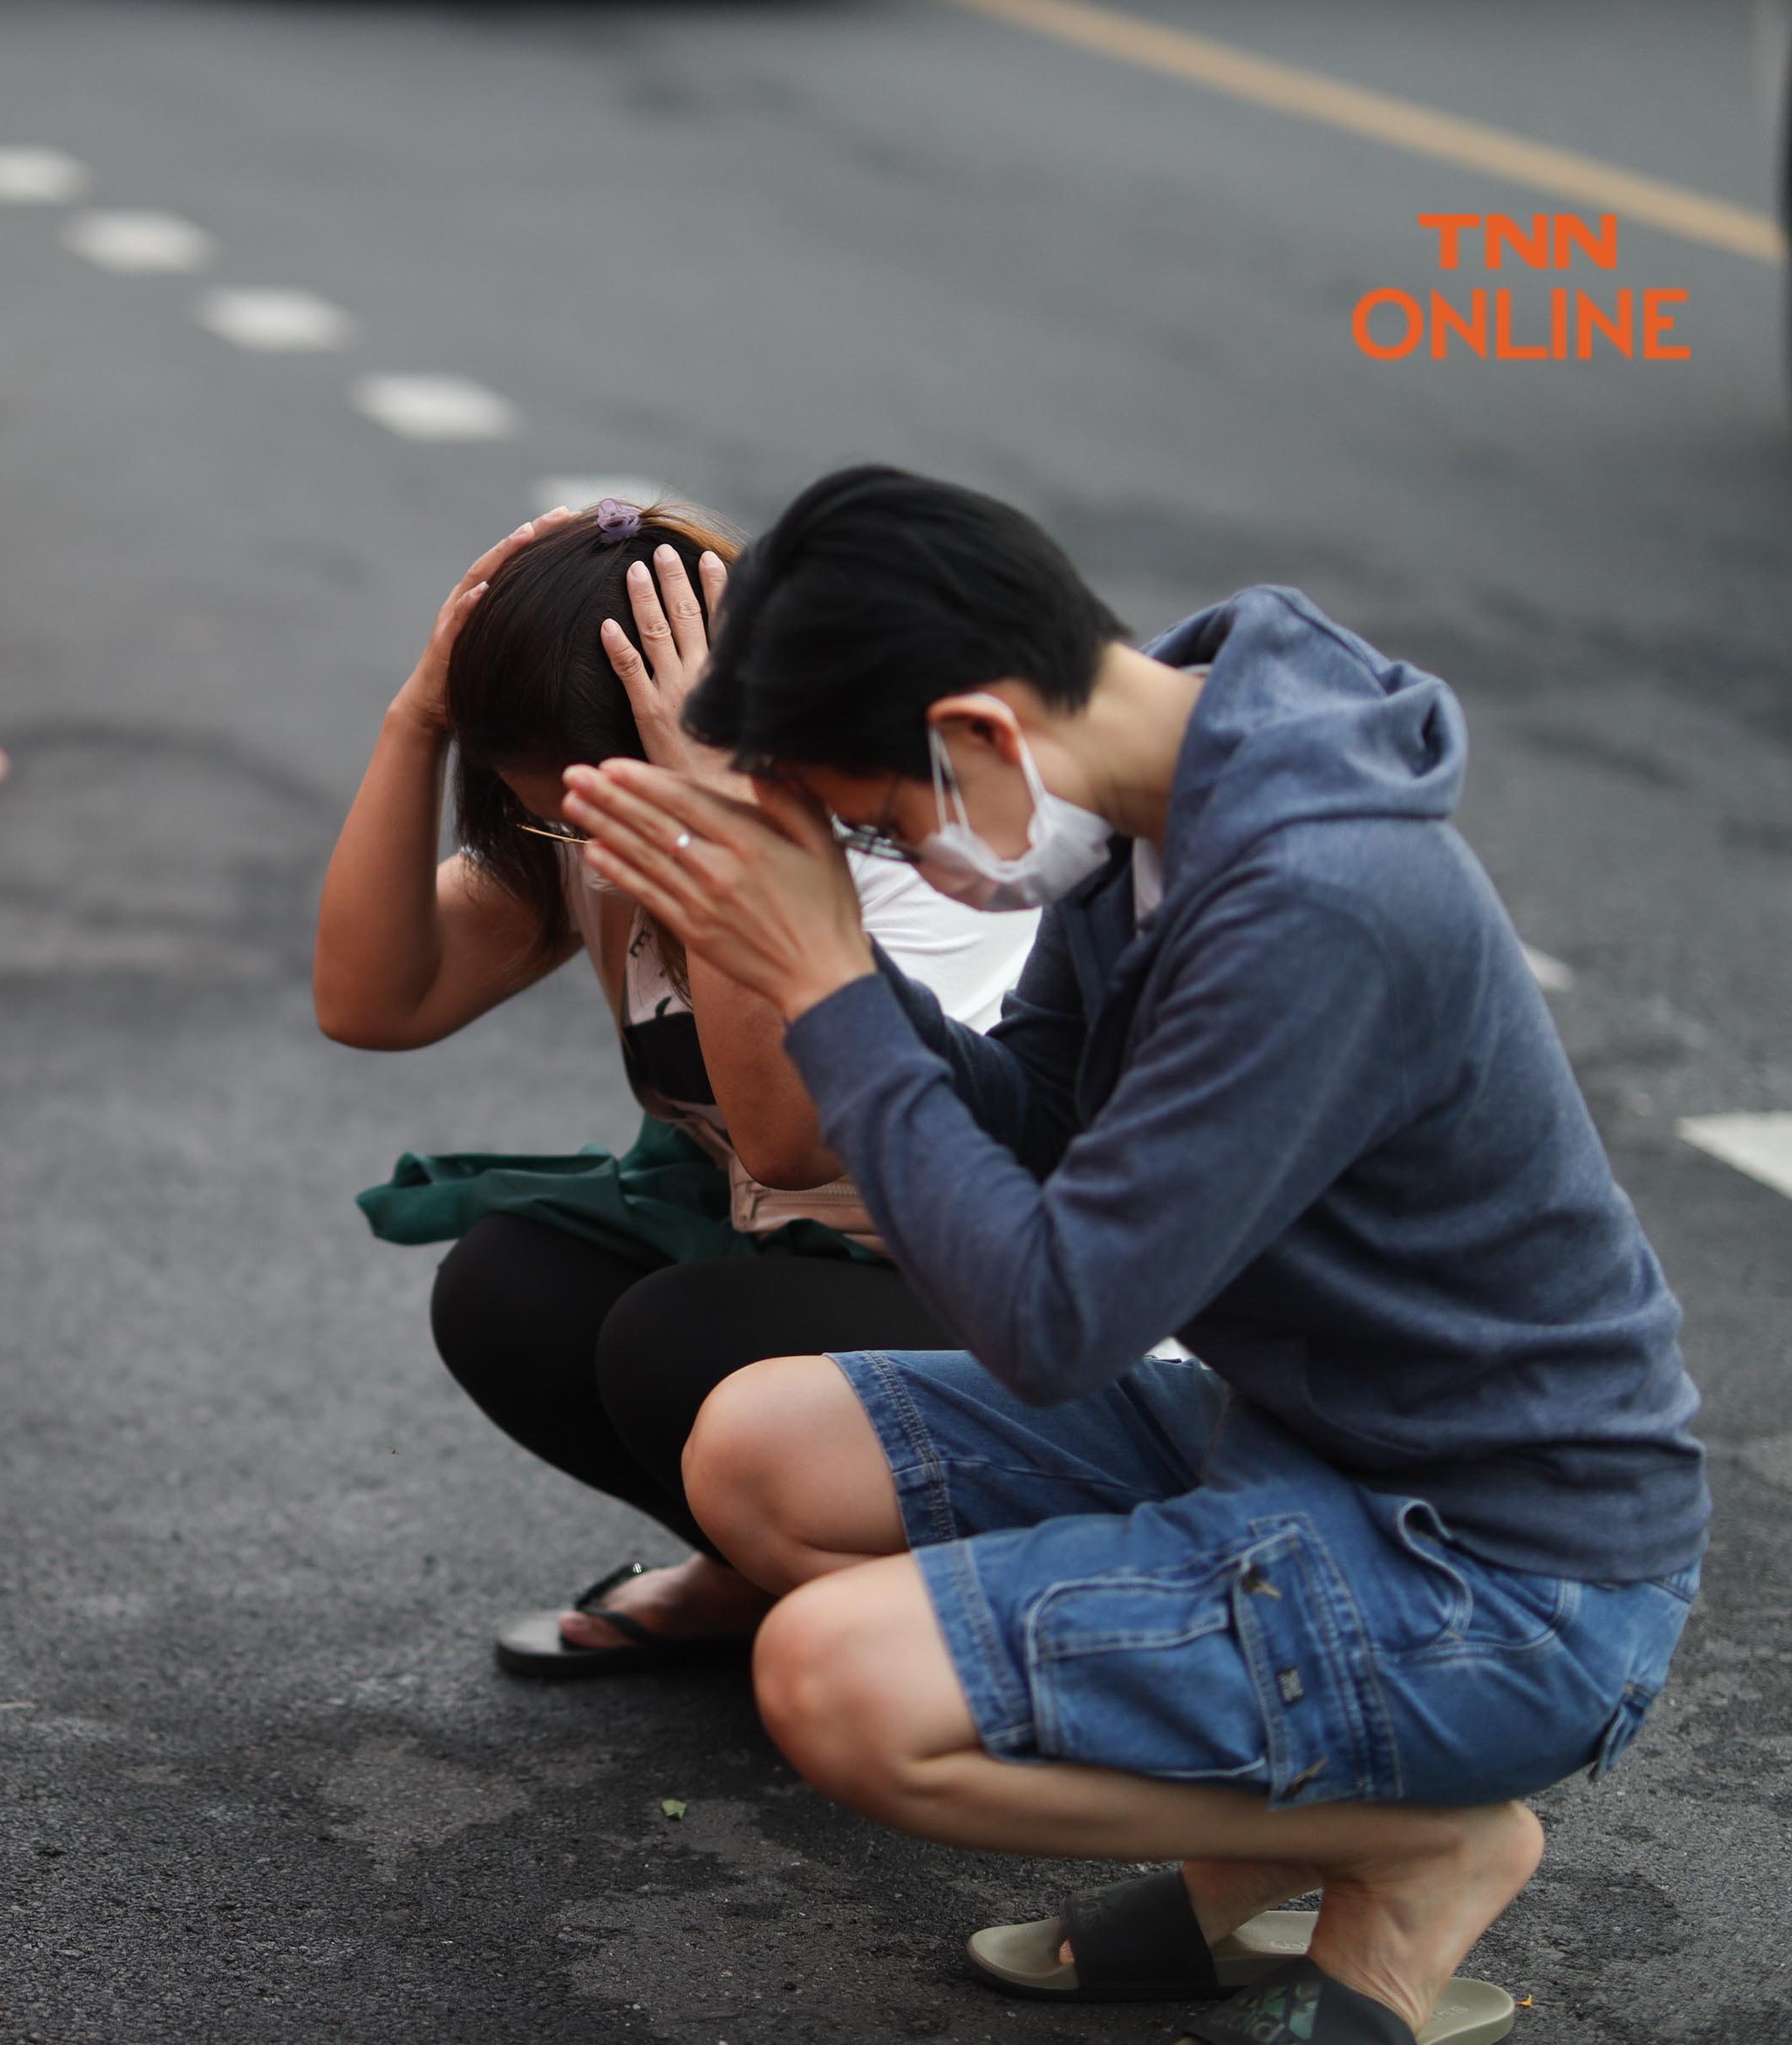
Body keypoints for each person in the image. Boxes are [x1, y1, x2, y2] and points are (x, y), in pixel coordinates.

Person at [560, 465, 1708, 2044]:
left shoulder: (1319, 900)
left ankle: (1421, 1848)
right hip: (1298, 1444)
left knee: (837, 1684)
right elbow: (1034, 1114)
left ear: (976, 737)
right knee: (758, 1449)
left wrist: (830, 985)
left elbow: (1055, 1322)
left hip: (1505, 1567)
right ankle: (1292, 1849)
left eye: (888, 827)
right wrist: (824, 966)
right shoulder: (1154, 794)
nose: (907, 869)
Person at [314, 500, 1034, 1678]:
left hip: (1019, 1307)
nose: (589, 853)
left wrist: (719, 829)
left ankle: (1034, 1626)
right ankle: (771, 1573)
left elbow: (787, 1142)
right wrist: (417, 721)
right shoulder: (591, 823)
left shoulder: (891, 830)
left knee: (677, 1339)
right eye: (555, 814)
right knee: (508, 1288)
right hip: (811, 1266)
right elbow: (373, 1001)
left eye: (611, 805)